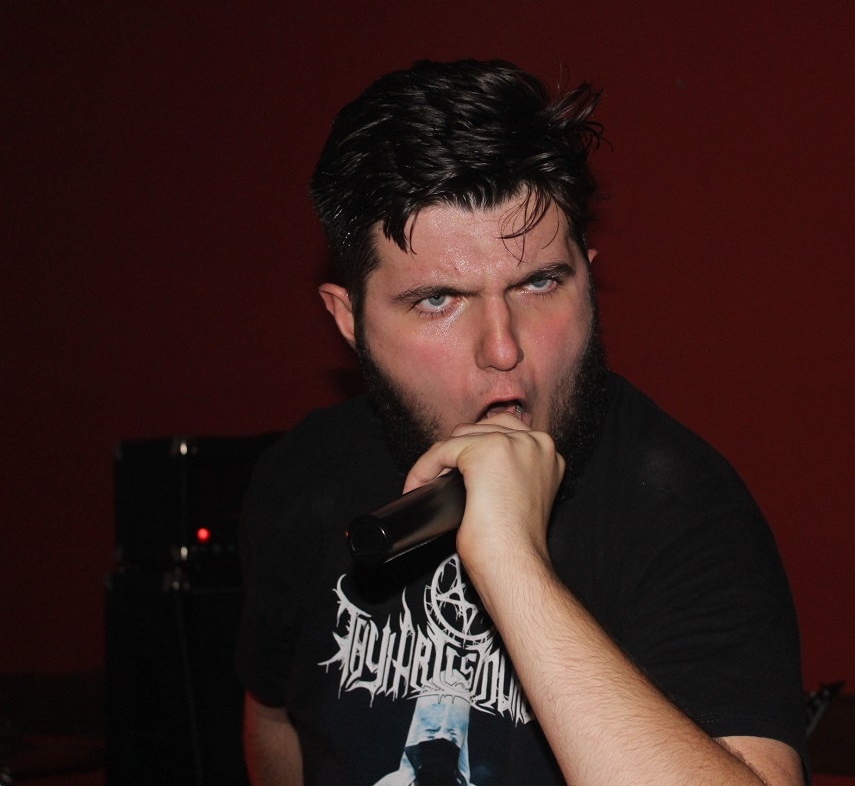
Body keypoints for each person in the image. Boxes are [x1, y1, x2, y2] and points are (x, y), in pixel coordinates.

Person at [235, 59, 805, 786]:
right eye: (438, 300)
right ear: (350, 321)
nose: (503, 348)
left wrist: (509, 558)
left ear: (588, 279)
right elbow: (276, 719)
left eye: (539, 283)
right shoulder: (305, 474)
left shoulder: (683, 504)